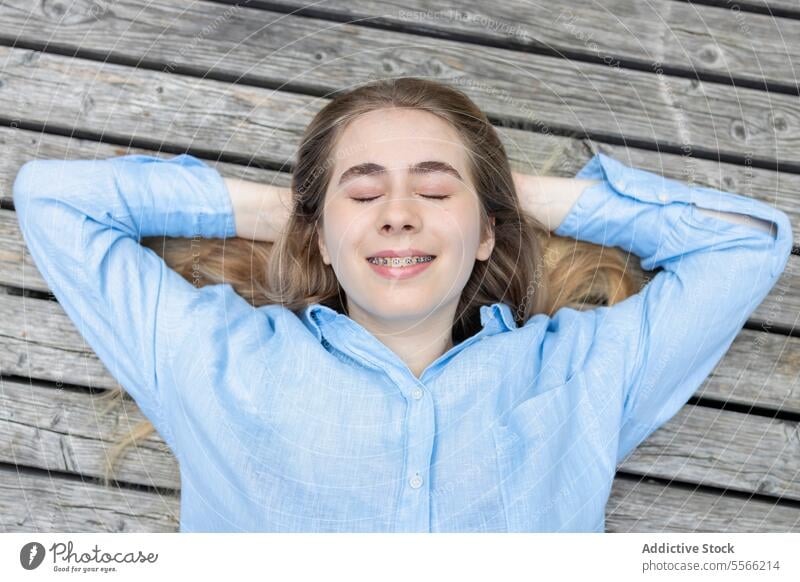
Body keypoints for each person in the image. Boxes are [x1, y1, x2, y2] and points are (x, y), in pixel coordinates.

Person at [12, 78, 791, 533]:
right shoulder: (214, 359)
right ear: (316, 234)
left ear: (488, 232)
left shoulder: (580, 374)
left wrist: (512, 198)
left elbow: (747, 244)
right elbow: (52, 201)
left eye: (434, 188)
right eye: (364, 192)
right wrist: (281, 217)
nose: (398, 212)